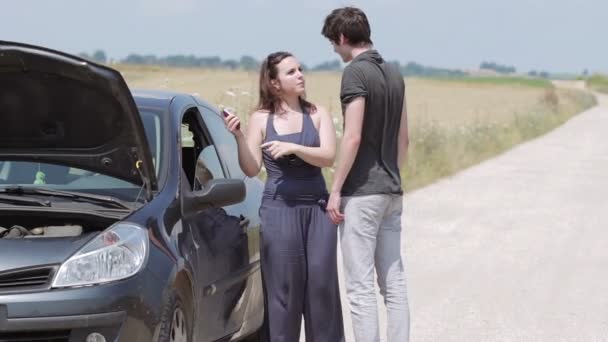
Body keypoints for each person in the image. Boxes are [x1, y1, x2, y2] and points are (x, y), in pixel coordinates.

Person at [223, 51, 344, 342]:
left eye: (300, 69)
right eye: (291, 72)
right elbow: (251, 168)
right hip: (279, 212)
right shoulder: (261, 119)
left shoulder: (318, 114)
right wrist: (238, 136)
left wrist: (295, 149)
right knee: (284, 293)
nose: (300, 74)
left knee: (321, 290)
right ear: (274, 83)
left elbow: (328, 156)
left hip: (317, 211)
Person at [321, 6, 411, 342]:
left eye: (334, 44)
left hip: (362, 193)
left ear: (343, 38)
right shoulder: (395, 73)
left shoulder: (355, 74)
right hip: (392, 191)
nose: (334, 51)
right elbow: (404, 139)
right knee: (393, 282)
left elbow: (353, 135)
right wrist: (393, 176)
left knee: (360, 287)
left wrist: (336, 189)